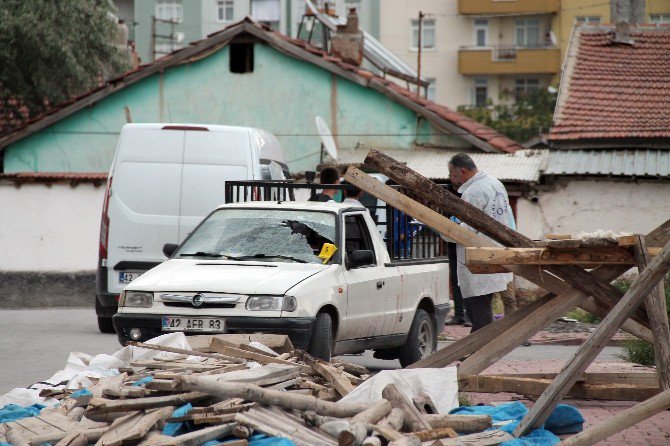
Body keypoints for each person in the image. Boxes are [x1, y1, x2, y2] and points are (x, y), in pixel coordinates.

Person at [448, 153, 514, 333]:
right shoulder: (496, 184)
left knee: (480, 313)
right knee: (481, 309)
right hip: (495, 253)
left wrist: (445, 228)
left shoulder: (474, 191)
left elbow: (466, 229)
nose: (452, 180)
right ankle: (473, 353)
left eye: (452, 175)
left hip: (478, 258)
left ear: (462, 171)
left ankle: (479, 353)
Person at [444, 184, 471, 327]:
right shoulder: (448, 205)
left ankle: (469, 315)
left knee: (468, 278)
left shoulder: (469, 199)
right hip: (453, 243)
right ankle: (459, 314)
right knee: (455, 278)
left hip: (466, 244)